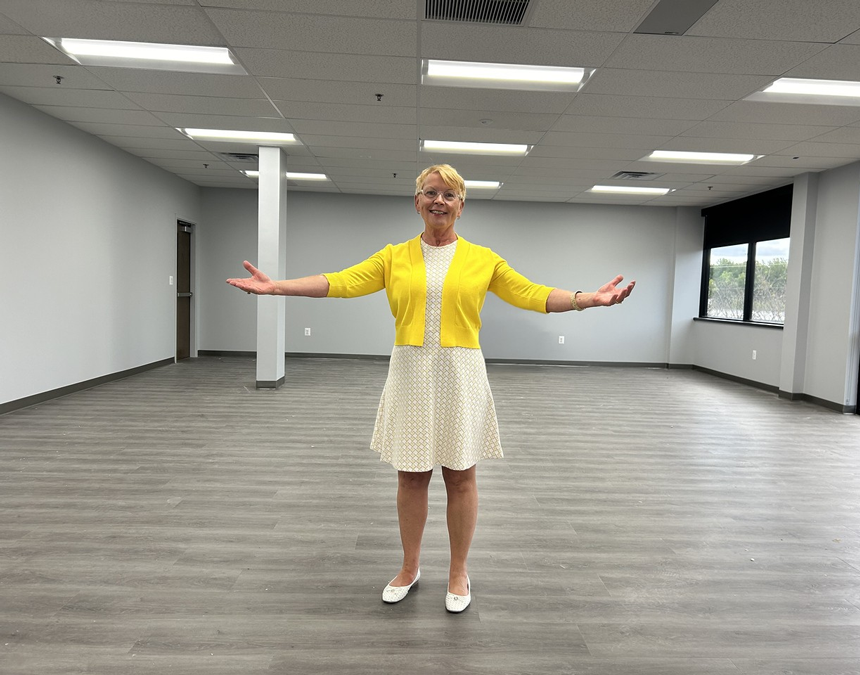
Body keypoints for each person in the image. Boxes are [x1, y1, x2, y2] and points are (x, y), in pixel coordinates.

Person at [227, 164, 635, 613]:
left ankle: (458, 570)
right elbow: (339, 282)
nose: (439, 201)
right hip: (411, 372)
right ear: (417, 202)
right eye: (430, 193)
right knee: (411, 475)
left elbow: (532, 294)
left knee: (461, 476)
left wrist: (585, 299)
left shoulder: (484, 259)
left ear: (462, 206)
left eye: (449, 195)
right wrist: (276, 287)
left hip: (461, 373)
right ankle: (410, 566)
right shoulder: (393, 257)